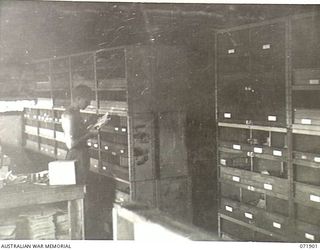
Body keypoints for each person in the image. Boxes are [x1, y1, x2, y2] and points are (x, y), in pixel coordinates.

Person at [61, 84, 98, 185]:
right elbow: (71, 144)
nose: (89, 103)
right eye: (87, 101)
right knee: (78, 189)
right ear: (78, 99)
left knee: (81, 188)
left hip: (81, 155)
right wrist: (89, 134)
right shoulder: (69, 115)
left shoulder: (76, 113)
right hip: (76, 156)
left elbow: (77, 133)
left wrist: (88, 124)